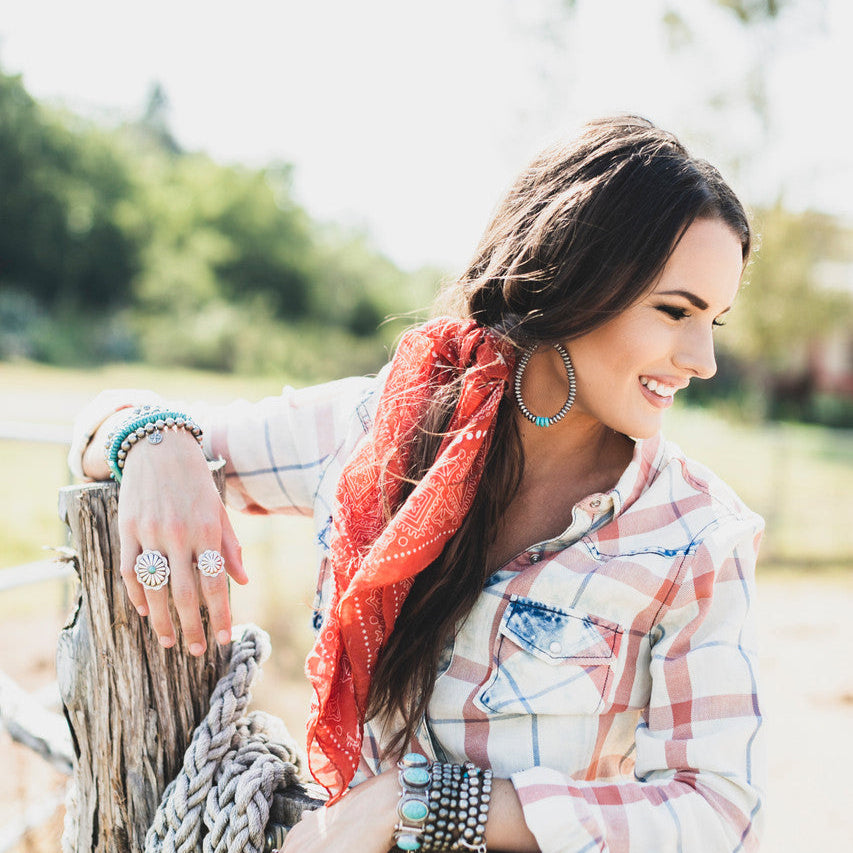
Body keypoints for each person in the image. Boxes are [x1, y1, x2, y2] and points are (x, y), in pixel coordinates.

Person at [70, 115, 765, 853]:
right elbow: (103, 425)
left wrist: (423, 803)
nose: (702, 360)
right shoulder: (379, 429)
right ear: (576, 277)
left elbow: (718, 814)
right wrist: (155, 446)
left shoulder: (695, 535)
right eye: (674, 311)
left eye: (713, 322)